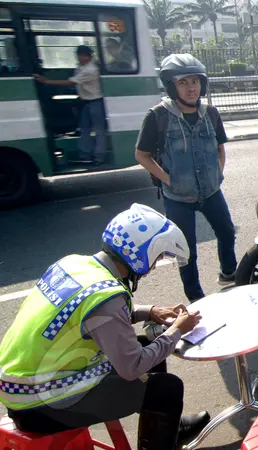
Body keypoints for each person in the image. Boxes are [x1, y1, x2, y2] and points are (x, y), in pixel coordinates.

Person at [0, 203, 210, 449]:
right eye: (157, 258)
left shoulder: (74, 264)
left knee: (145, 346)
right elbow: (132, 367)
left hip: (20, 388)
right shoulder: (106, 298)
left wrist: (150, 311)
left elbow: (92, 318)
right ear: (142, 255)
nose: (153, 267)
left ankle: (166, 425)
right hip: (42, 406)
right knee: (167, 388)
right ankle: (161, 433)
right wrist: (177, 330)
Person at [135, 54, 237, 302]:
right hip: (178, 196)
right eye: (183, 82)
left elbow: (220, 147)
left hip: (211, 191)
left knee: (226, 232)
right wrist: (168, 180)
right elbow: (142, 155)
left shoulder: (210, 113)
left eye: (195, 81)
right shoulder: (158, 116)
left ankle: (229, 275)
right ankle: (195, 297)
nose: (191, 88)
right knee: (185, 248)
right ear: (172, 86)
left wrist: (218, 173)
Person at [34, 45, 106, 166]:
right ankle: (85, 156)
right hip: (85, 102)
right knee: (84, 130)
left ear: (90, 56)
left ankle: (99, 157)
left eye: (84, 56)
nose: (81, 58)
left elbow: (71, 82)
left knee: (99, 131)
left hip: (95, 102)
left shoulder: (91, 69)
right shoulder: (81, 68)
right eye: (80, 56)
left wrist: (46, 81)